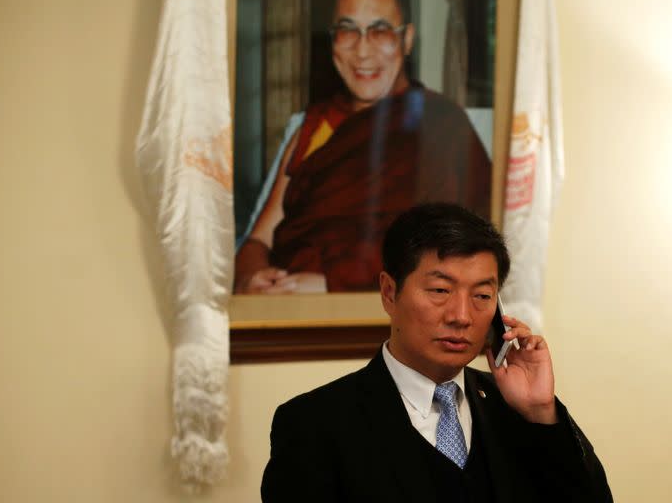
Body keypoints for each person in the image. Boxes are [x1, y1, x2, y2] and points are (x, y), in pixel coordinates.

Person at [261, 203, 612, 502]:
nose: (461, 316)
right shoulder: (313, 424)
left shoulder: (517, 410)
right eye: (440, 290)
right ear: (389, 292)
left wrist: (541, 413)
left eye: (481, 296)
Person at [235, 0, 492, 294]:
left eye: (380, 31)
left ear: (407, 39)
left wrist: (331, 286)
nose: (362, 50)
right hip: (291, 311)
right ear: (332, 42)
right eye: (347, 30)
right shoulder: (314, 127)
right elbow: (259, 238)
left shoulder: (440, 125)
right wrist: (253, 276)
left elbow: (458, 254)